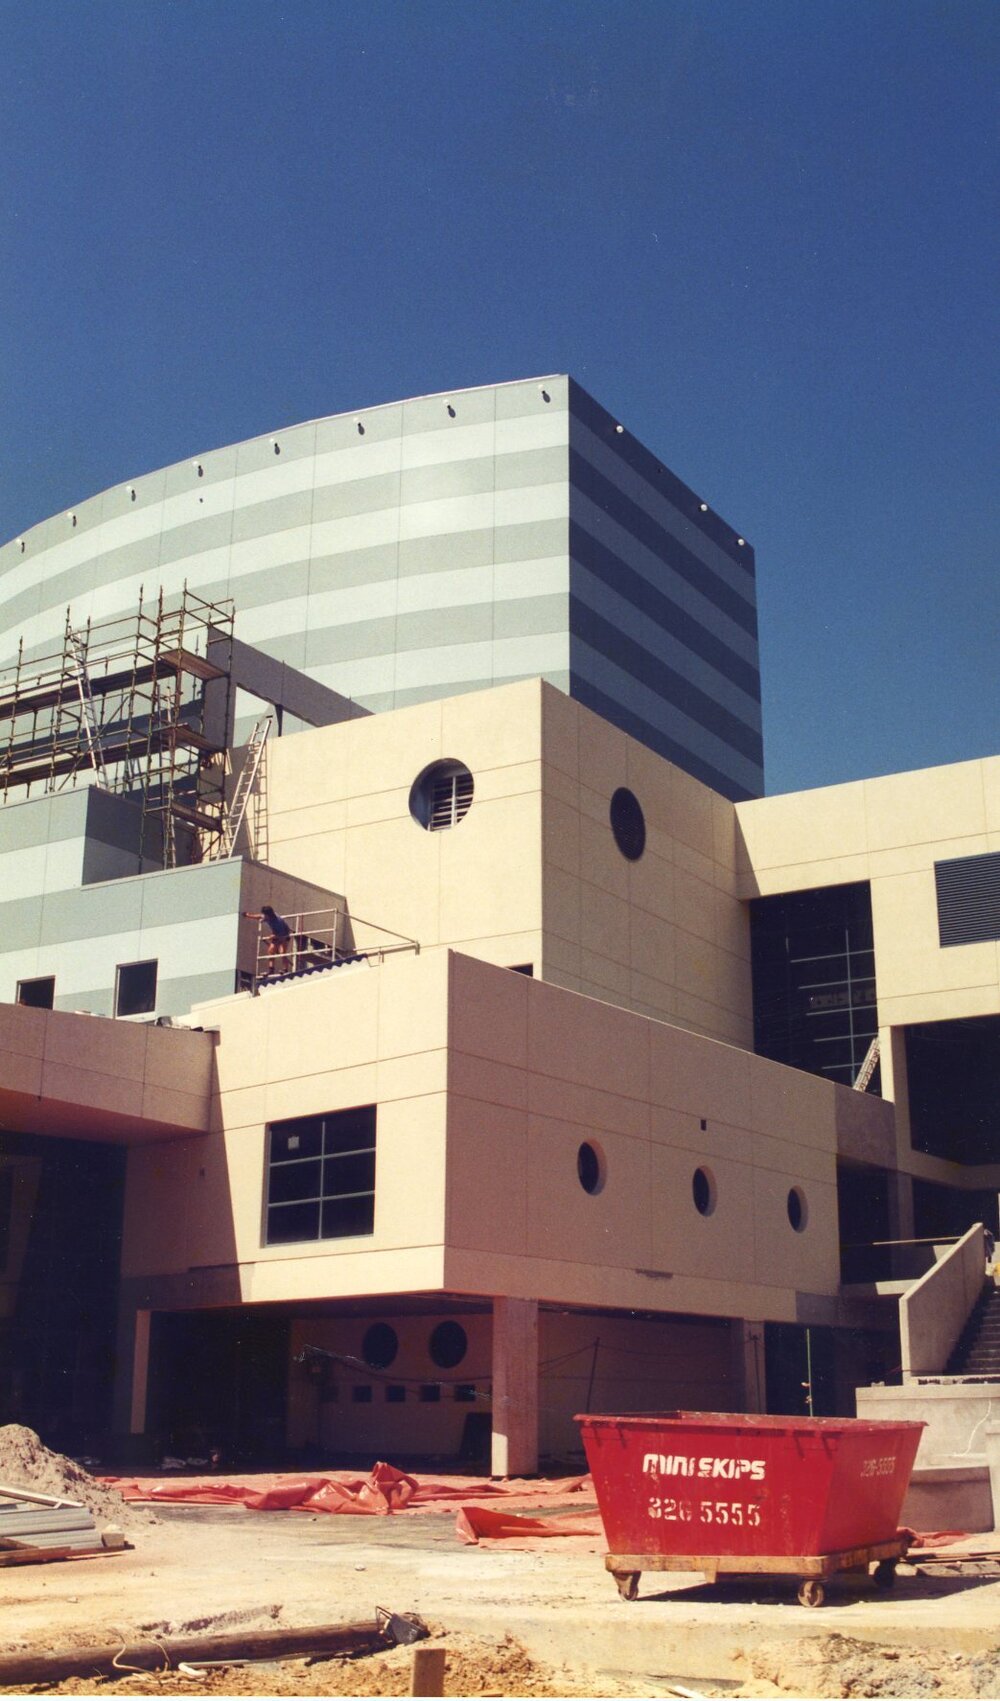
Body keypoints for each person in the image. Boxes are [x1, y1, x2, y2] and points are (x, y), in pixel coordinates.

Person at [244, 904, 293, 972]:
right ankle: (271, 969)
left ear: (269, 915)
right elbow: (259, 916)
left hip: (284, 935)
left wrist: (274, 936)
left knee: (282, 952)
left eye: (265, 915)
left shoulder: (278, 921)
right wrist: (248, 915)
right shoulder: (267, 917)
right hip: (276, 934)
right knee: (271, 950)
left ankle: (285, 969)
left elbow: (282, 934)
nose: (264, 916)